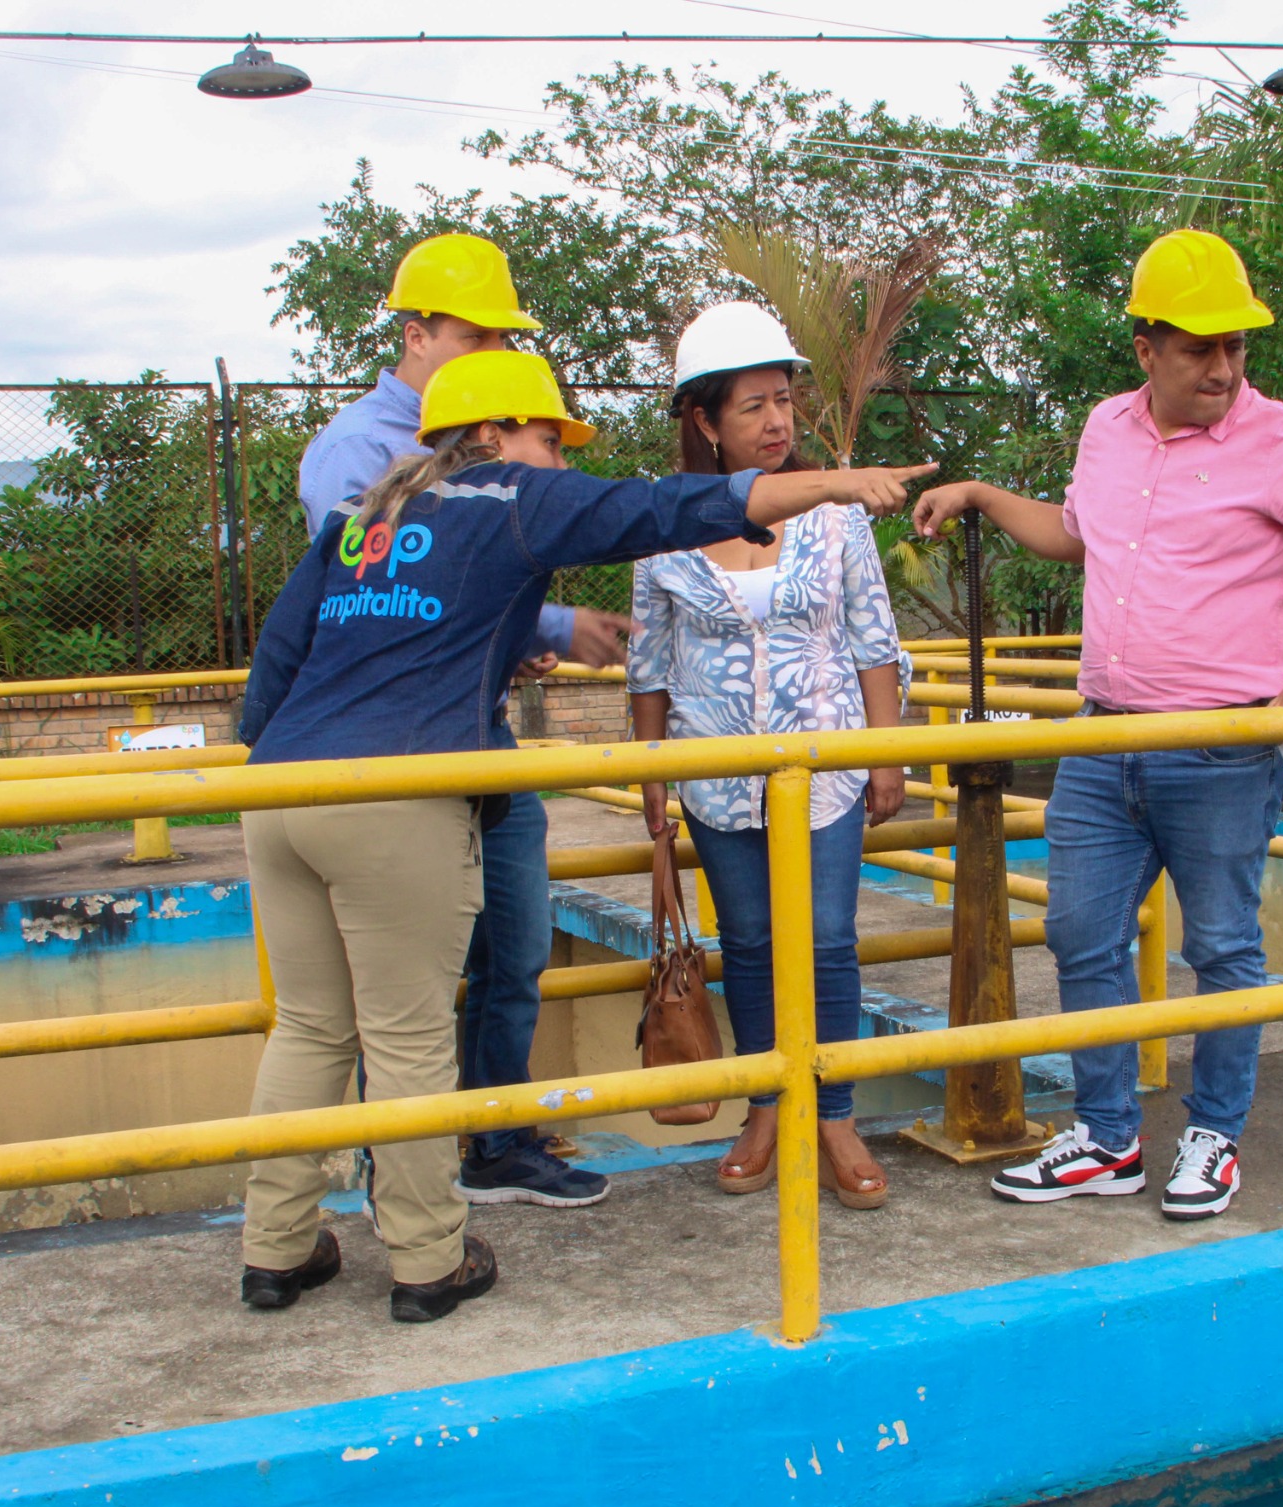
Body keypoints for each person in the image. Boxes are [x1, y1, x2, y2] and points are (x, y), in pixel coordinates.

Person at [235, 347, 933, 1317]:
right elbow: (665, 509)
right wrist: (834, 484)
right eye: (547, 435)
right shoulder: (507, 497)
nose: (559, 458)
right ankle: (427, 1261)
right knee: (405, 1041)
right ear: (490, 436)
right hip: (393, 798)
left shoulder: (365, 519)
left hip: (277, 792)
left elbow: (278, 664)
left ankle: (274, 1249)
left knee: (309, 1027)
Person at [911, 229, 1283, 1222]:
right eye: (1199, 347)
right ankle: (1105, 1136)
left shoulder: (1281, 442)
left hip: (1221, 745)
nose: (1223, 367)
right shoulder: (1107, 426)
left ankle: (1214, 1135)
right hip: (1106, 740)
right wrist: (978, 494)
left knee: (1223, 947)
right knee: (1080, 932)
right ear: (1145, 348)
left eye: (1235, 345)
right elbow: (1075, 533)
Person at [297, 230, 632, 1212]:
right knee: (402, 982)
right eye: (478, 333)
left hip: (479, 729)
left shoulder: (487, 430)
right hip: (398, 749)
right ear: (416, 331)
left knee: (515, 945)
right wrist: (554, 623)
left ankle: (493, 1141)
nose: (493, 350)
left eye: (502, 335)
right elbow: (378, 584)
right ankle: (401, 1167)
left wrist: (508, 632)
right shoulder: (359, 450)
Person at [630, 303, 909, 1210]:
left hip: (824, 768)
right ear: (705, 422)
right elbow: (649, 666)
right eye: (752, 406)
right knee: (747, 943)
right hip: (714, 780)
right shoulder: (665, 524)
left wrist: (886, 756)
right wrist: (653, 780)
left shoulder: (834, 512)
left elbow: (873, 637)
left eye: (783, 401)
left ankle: (831, 1112)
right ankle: (765, 1105)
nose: (777, 422)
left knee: (826, 939)